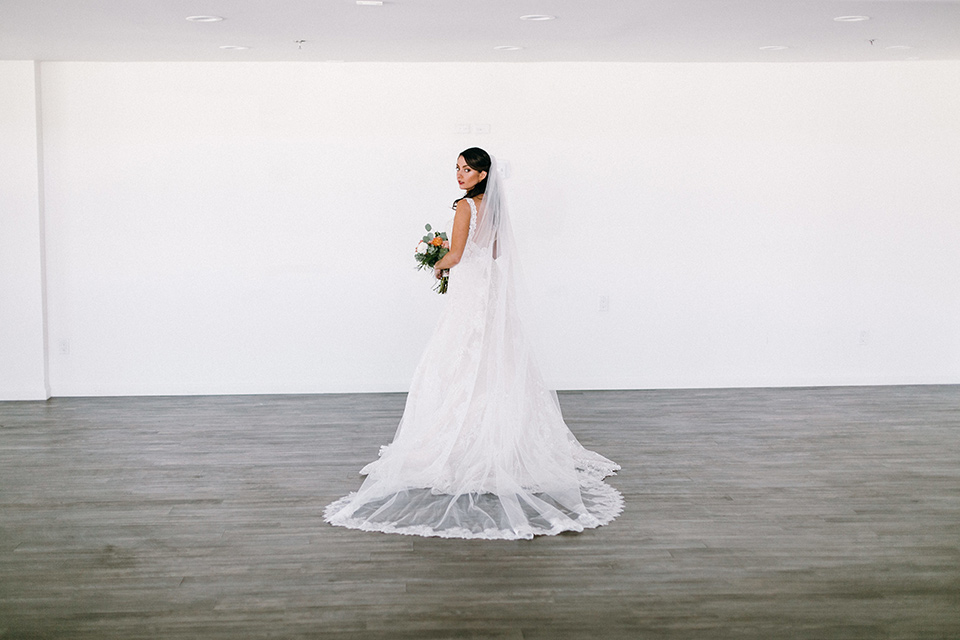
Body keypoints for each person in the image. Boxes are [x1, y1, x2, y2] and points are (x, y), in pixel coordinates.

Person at [324, 148, 623, 539]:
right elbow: (496, 251)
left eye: (467, 169)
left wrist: (434, 259)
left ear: (483, 175)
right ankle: (503, 435)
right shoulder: (494, 208)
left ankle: (460, 437)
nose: (460, 175)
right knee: (496, 356)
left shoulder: (465, 207)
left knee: (458, 355)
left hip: (469, 292)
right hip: (489, 289)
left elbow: (458, 254)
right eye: (458, 169)